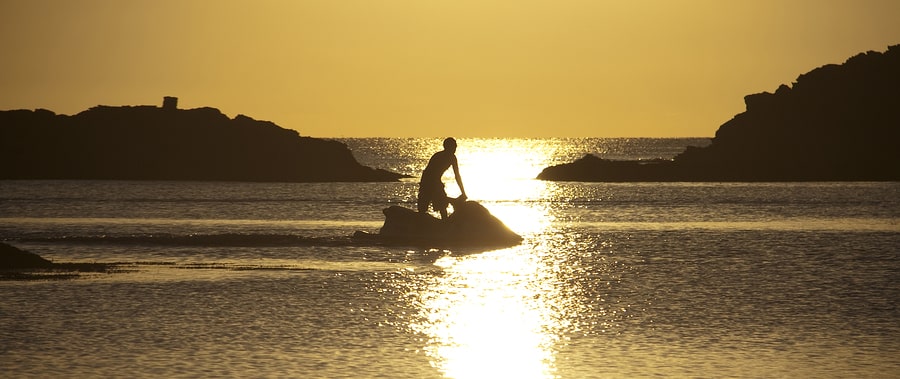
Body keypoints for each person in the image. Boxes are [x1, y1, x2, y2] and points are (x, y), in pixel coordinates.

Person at [418, 137, 467, 219]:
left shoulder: (453, 158)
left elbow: (457, 175)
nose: (455, 149)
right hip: (427, 180)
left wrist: (463, 192)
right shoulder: (438, 156)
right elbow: (430, 173)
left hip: (436, 181)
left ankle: (444, 221)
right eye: (453, 147)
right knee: (424, 208)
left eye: (455, 147)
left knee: (442, 206)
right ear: (447, 147)